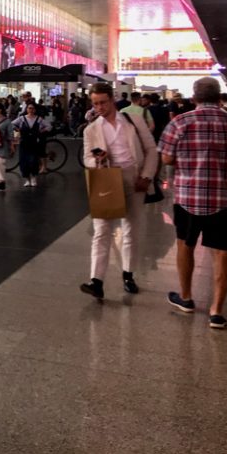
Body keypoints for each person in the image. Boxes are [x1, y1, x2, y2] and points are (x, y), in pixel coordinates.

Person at [158, 77, 227, 328]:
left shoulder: (179, 122)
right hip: (226, 198)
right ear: (219, 96)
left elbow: (166, 158)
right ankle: (216, 312)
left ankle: (186, 298)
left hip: (189, 196)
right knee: (222, 253)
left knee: (185, 245)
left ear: (194, 98)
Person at [79, 82, 159, 300]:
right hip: (107, 179)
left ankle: (128, 274)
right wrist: (96, 161)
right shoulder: (91, 129)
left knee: (131, 228)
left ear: (112, 99)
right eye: (95, 104)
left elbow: (151, 150)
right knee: (101, 230)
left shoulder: (134, 121)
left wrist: (147, 176)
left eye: (103, 102)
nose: (99, 108)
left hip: (134, 178)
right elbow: (86, 157)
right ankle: (96, 280)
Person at [13, 102, 51, 187]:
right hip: (24, 143)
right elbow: (12, 124)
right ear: (26, 109)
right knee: (24, 162)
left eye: (32, 108)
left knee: (33, 161)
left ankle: (34, 178)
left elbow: (49, 126)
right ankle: (27, 179)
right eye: (29, 108)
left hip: (34, 143)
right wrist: (17, 129)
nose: (31, 110)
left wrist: (42, 131)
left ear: (35, 110)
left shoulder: (39, 119)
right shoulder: (22, 118)